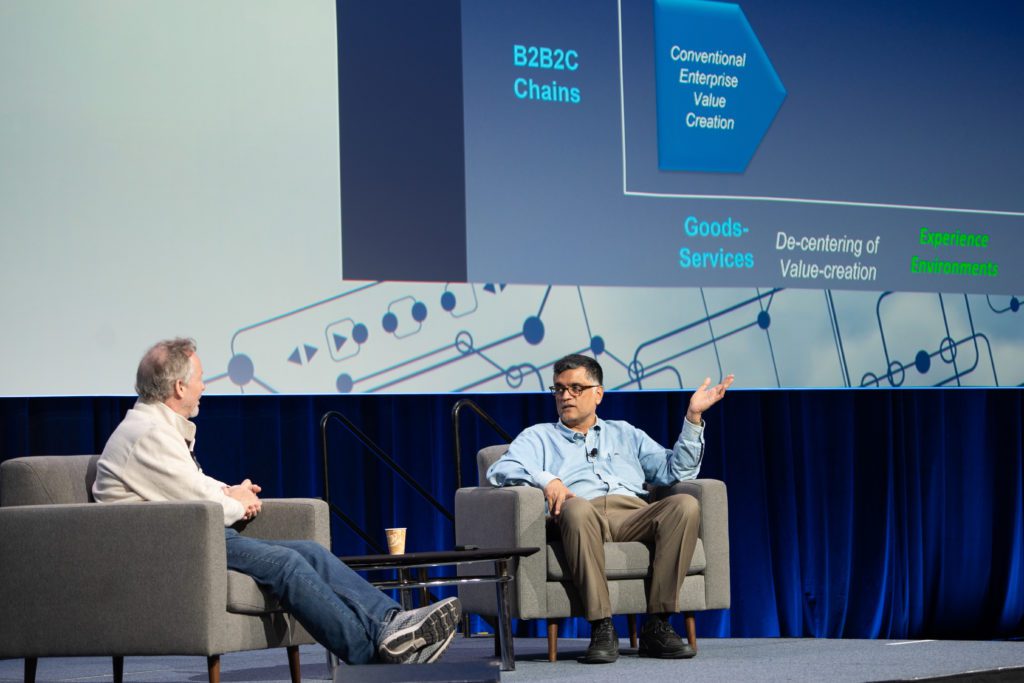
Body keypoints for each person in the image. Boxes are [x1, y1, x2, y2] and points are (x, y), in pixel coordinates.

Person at [92, 338, 460, 666]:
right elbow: (202, 503)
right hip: (170, 548)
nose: (204, 386)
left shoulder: (158, 429)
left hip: (192, 537)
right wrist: (236, 502)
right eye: (201, 378)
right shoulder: (147, 435)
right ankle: (371, 657)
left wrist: (233, 492)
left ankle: (391, 624)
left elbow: (194, 486)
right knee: (286, 563)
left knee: (309, 551)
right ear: (179, 386)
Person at [487, 353, 733, 664]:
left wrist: (693, 418)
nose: (565, 396)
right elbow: (500, 469)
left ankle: (657, 625)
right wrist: (547, 479)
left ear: (598, 394)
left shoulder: (625, 433)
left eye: (576, 388)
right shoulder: (540, 437)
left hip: (632, 513)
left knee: (684, 504)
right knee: (576, 509)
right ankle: (601, 627)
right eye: (559, 389)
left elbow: (676, 472)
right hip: (580, 515)